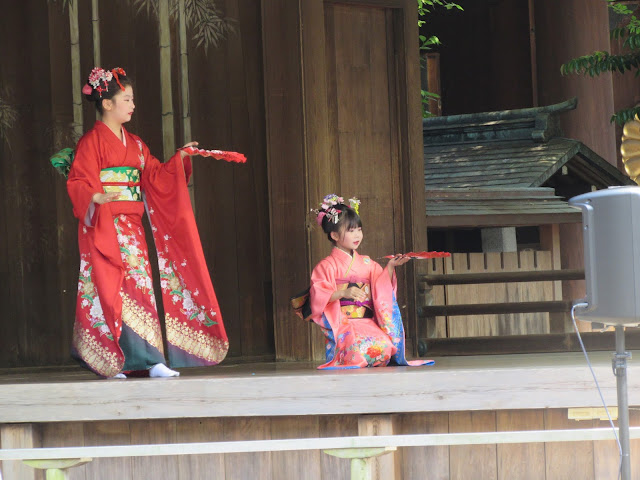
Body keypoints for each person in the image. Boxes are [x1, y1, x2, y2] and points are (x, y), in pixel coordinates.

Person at [66, 67, 228, 378]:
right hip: (104, 224)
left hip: (132, 226)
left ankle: (151, 360)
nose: (132, 105)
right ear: (107, 104)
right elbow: (78, 180)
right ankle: (114, 361)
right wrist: (94, 197)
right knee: (112, 286)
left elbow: (153, 176)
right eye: (126, 99)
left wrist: (178, 161)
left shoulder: (137, 144)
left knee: (140, 286)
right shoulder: (91, 143)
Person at [306, 194, 434, 369]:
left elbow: (381, 288)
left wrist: (390, 267)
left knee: (386, 348)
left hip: (367, 321)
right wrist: (342, 293)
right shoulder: (326, 266)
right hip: (343, 323)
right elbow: (317, 296)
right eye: (351, 231)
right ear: (334, 235)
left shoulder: (367, 263)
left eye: (359, 229)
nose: (357, 235)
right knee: (358, 350)